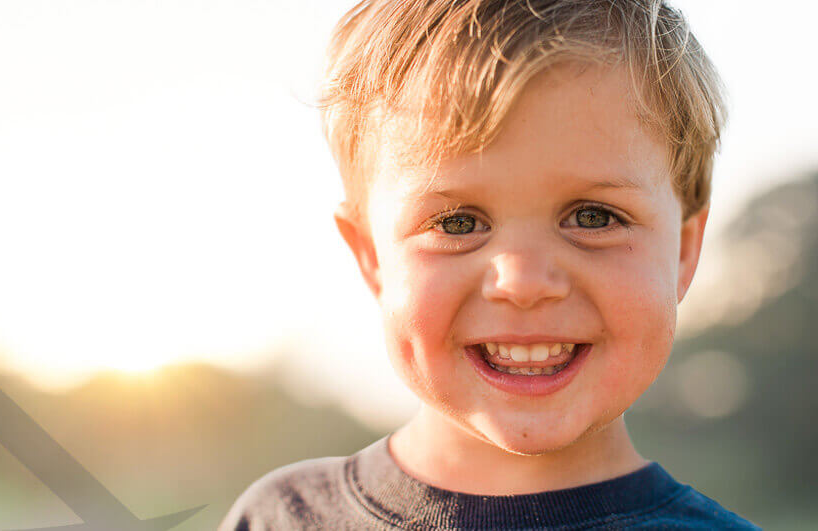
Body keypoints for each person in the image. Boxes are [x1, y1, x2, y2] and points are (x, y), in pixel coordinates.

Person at [221, 0, 758, 528]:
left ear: (685, 252)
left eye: (594, 217)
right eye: (457, 223)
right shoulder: (282, 519)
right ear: (371, 258)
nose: (522, 282)